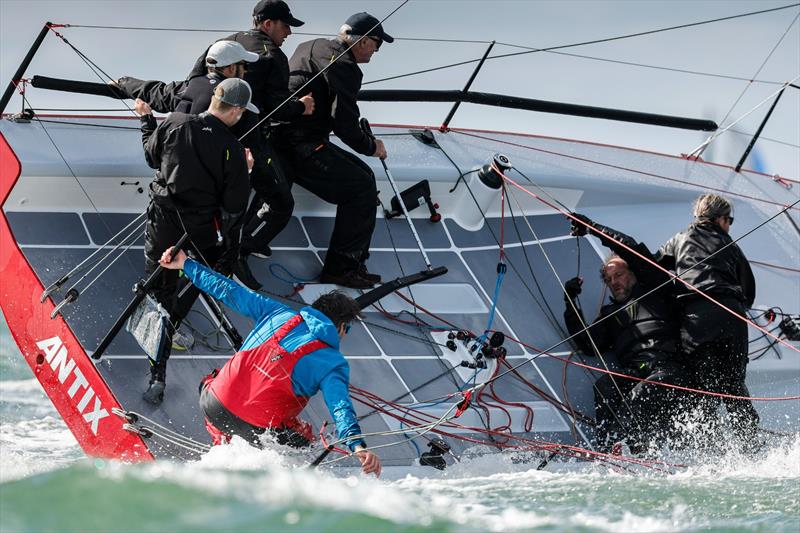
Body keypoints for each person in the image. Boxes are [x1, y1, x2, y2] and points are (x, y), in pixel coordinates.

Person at [157, 245, 382, 477]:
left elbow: (227, 290)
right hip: (257, 428)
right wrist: (358, 446)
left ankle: (220, 446)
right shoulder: (334, 363)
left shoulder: (276, 312)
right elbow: (340, 408)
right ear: (341, 326)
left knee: (209, 382)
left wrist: (186, 264)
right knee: (306, 438)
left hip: (214, 407)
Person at [136, 78, 256, 405]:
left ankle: (156, 372)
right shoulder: (231, 147)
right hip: (199, 231)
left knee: (158, 290)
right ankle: (174, 316)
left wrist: (146, 121)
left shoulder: (174, 122)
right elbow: (234, 207)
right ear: (237, 110)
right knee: (212, 270)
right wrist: (245, 171)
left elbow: (150, 156)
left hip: (163, 224)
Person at [187, 0, 315, 290]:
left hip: (208, 142)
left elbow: (193, 81)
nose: (289, 33)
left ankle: (225, 249)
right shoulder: (274, 57)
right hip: (249, 145)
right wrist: (302, 107)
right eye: (286, 26)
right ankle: (241, 252)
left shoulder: (222, 44)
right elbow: (276, 109)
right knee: (282, 203)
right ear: (267, 24)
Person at [276, 12, 393, 289]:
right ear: (363, 41)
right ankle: (341, 269)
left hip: (278, 138)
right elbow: (344, 124)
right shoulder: (346, 66)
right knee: (362, 185)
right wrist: (371, 146)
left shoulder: (312, 46)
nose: (377, 51)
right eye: (377, 44)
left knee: (362, 175)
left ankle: (353, 260)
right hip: (299, 146)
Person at [564, 214, 684, 452]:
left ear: (633, 273)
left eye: (618, 275)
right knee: (605, 386)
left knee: (641, 395)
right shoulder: (610, 314)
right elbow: (589, 345)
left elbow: (629, 248)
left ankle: (630, 449)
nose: (614, 282)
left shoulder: (655, 288)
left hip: (669, 368)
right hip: (635, 370)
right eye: (608, 280)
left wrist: (592, 228)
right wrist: (570, 302)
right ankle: (609, 451)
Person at [658, 194, 759, 448]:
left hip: (697, 321)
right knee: (734, 385)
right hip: (731, 316)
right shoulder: (730, 245)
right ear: (720, 219)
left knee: (705, 388)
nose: (729, 226)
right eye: (730, 220)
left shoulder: (678, 240)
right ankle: (750, 445)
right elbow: (749, 291)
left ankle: (709, 450)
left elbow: (654, 265)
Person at [114, 40, 259, 114]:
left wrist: (123, 83)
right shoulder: (238, 103)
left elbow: (156, 92)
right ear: (232, 67)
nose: (246, 71)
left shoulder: (188, 88)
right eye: (245, 66)